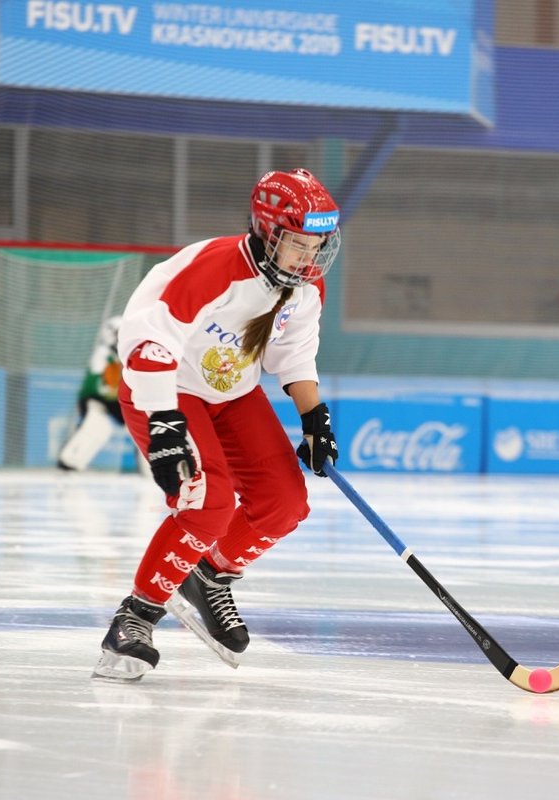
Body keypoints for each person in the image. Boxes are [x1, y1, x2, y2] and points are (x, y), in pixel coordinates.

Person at [92, 168, 342, 681]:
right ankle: (134, 618)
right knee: (207, 502)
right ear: (268, 231)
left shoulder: (304, 285)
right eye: (299, 243)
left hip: (230, 393)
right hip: (164, 389)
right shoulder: (214, 269)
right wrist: (164, 422)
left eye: (319, 244)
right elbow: (148, 342)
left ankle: (208, 576)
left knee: (284, 503)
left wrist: (313, 417)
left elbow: (293, 352)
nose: (310, 257)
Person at [57, 316, 152, 477]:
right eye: (119, 334)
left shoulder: (131, 353)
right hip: (96, 399)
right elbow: (100, 376)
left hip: (118, 402)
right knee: (98, 427)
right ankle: (69, 462)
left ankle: (150, 469)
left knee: (141, 428)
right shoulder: (103, 353)